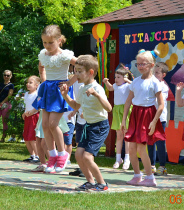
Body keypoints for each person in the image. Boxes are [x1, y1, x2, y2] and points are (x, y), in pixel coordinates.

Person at [61, 55, 112, 192]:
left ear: (90, 72)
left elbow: (108, 108)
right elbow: (76, 105)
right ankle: (90, 182)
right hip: (88, 126)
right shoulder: (82, 88)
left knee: (87, 157)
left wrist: (96, 95)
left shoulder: (97, 88)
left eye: (79, 71)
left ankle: (102, 184)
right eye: (75, 71)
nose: (76, 74)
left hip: (100, 126)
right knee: (78, 155)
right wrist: (65, 95)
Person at [33, 25, 77, 173]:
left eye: (50, 42)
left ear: (59, 41)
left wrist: (69, 83)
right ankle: (52, 156)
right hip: (48, 89)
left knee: (53, 124)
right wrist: (44, 80)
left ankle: (62, 154)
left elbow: (82, 66)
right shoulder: (43, 54)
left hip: (59, 90)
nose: (47, 45)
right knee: (44, 124)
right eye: (44, 42)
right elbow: (41, 67)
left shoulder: (65, 55)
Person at [122, 49, 166, 187]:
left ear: (152, 65)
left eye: (143, 64)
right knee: (131, 149)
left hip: (147, 115)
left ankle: (150, 177)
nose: (140, 66)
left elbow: (161, 105)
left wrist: (154, 122)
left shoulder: (155, 82)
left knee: (141, 148)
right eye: (138, 64)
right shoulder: (135, 82)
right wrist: (124, 119)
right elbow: (128, 101)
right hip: (135, 114)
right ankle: (137, 175)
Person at [103, 64, 133, 170]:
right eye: (115, 77)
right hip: (117, 110)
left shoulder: (128, 85)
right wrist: (106, 82)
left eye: (119, 77)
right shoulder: (115, 86)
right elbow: (110, 88)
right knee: (119, 135)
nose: (116, 79)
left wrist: (127, 79)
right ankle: (118, 159)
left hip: (126, 111)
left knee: (127, 137)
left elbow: (134, 85)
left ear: (125, 78)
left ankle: (127, 159)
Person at [148, 62, 169, 176]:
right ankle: (151, 166)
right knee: (150, 142)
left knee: (160, 143)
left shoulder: (163, 86)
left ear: (163, 75)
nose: (154, 74)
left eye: (157, 73)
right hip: (150, 118)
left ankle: (162, 167)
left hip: (160, 118)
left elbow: (158, 101)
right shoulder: (150, 83)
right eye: (153, 72)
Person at [0, 70, 14, 142]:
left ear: (11, 76)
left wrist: (2, 102)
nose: (6, 77)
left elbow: (9, 95)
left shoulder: (11, 85)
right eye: (5, 75)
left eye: (8, 75)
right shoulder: (0, 84)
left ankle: (3, 138)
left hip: (6, 104)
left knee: (5, 121)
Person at [22, 75, 40, 162]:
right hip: (27, 117)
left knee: (32, 138)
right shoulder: (26, 94)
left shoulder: (37, 94)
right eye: (27, 82)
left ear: (37, 85)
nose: (28, 84)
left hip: (34, 117)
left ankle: (38, 156)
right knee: (26, 137)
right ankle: (32, 155)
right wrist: (24, 113)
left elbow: (38, 106)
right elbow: (27, 105)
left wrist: (31, 112)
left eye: (31, 82)